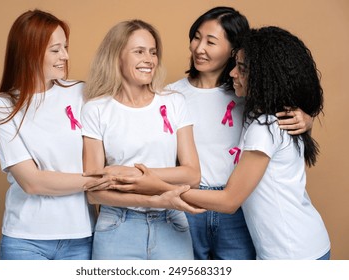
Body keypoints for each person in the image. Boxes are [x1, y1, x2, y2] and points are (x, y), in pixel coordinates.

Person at [119, 26, 330, 260]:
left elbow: (229, 201)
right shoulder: (275, 116)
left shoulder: (265, 126)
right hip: (303, 246)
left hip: (293, 254)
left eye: (242, 68)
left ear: (263, 75)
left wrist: (158, 186)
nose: (233, 74)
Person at [165, 6, 313, 260]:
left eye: (211, 41)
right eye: (196, 37)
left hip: (237, 207)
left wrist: (307, 117)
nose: (199, 48)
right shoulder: (170, 95)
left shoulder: (248, 94)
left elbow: (284, 104)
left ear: (234, 50)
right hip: (188, 204)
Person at [81, 19, 202, 260]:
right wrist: (155, 197)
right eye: (139, 52)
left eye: (153, 52)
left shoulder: (174, 102)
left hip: (172, 222)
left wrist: (129, 174)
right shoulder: (95, 109)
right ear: (117, 56)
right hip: (117, 226)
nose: (149, 59)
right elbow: (94, 190)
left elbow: (192, 175)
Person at [0, 9, 99, 260]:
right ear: (30, 51)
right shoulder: (2, 106)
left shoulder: (80, 92)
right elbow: (32, 182)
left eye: (65, 47)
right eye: (55, 49)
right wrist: (102, 179)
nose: (65, 56)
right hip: (26, 240)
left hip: (81, 237)